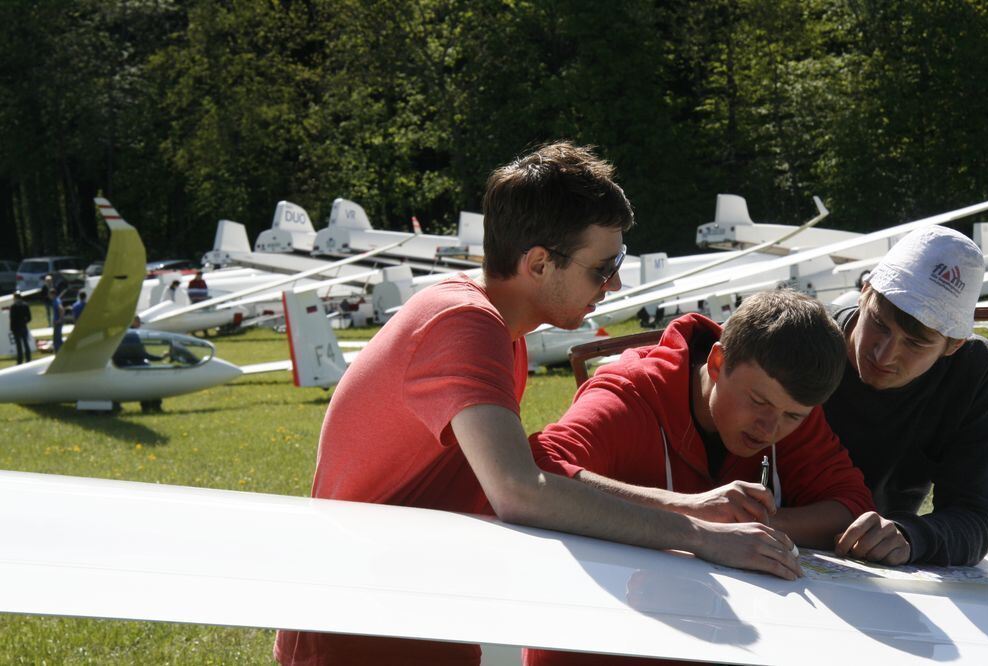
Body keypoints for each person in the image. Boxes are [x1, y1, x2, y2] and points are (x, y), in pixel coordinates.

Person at [273, 143, 801, 666]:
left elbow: (526, 474)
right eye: (602, 267)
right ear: (540, 263)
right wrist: (699, 537)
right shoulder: (465, 323)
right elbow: (520, 492)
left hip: (411, 617)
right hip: (354, 635)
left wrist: (686, 505)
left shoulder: (502, 331)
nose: (613, 283)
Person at [523, 290, 876, 666]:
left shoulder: (785, 406)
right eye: (758, 402)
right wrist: (691, 512)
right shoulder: (629, 393)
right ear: (718, 360)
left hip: (725, 646)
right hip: (597, 647)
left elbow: (851, 505)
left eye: (794, 417)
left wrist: (752, 525)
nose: (770, 428)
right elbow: (535, 473)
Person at [827, 226, 988, 566]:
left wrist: (910, 536)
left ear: (954, 345)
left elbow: (977, 516)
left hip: (868, 575)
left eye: (915, 343)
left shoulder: (977, 378)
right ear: (864, 292)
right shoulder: (805, 341)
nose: (884, 354)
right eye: (878, 323)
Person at [9, 291, 32, 364]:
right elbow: (29, 317)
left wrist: (11, 328)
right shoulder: (25, 305)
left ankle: (20, 360)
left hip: (16, 328)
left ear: (15, 298)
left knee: (19, 345)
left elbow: (12, 318)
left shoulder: (13, 307)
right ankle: (28, 359)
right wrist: (24, 322)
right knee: (26, 343)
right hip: (23, 326)